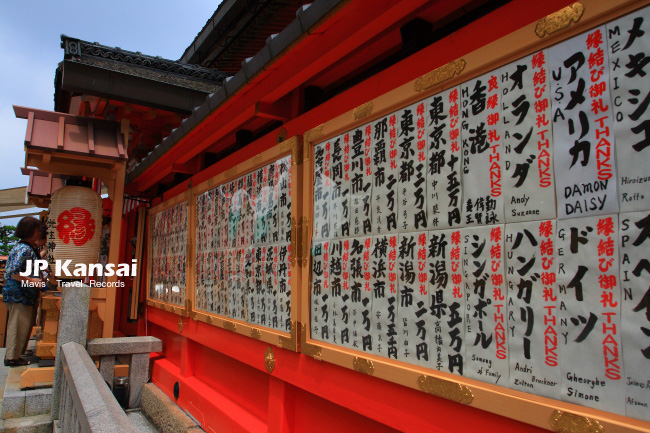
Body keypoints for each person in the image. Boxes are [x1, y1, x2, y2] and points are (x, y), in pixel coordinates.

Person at [3, 217, 46, 366]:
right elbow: (14, 272)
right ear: (32, 231)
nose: (38, 233)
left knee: (23, 324)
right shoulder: (24, 249)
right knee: (18, 325)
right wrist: (33, 281)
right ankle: (11, 357)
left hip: (23, 294)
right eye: (37, 230)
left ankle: (15, 354)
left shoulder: (26, 247)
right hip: (19, 294)